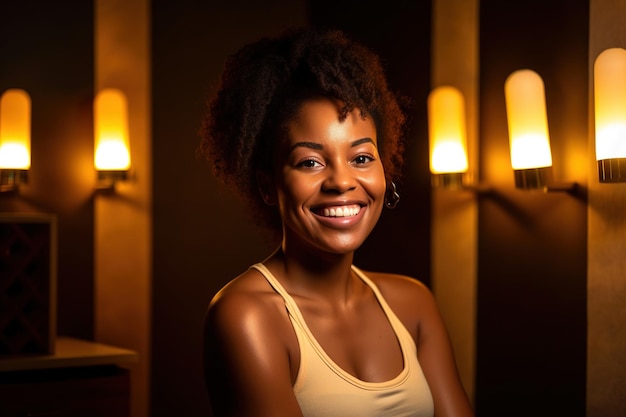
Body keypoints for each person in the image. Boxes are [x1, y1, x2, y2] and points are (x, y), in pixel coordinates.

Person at [198, 27, 474, 417]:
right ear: (267, 185)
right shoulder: (247, 316)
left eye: (361, 158)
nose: (343, 182)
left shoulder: (413, 304)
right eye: (310, 162)